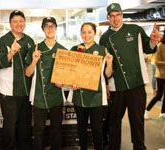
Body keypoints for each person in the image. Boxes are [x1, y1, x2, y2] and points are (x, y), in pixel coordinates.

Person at [99, 3, 162, 150]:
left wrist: (153, 41)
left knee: (137, 121)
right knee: (114, 122)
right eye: (112, 16)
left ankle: (139, 147)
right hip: (116, 85)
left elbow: (148, 47)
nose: (115, 19)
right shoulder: (105, 38)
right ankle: (114, 147)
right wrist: (106, 84)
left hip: (136, 84)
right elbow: (104, 64)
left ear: (122, 15)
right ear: (108, 18)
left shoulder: (135, 30)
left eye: (118, 15)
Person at [0, 10, 34, 150]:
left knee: (25, 125)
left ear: (24, 23)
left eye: (21, 21)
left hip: (26, 91)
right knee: (10, 126)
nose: (18, 24)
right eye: (15, 21)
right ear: (10, 24)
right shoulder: (4, 41)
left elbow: (31, 64)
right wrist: (10, 52)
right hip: (8, 92)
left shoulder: (29, 40)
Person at [25, 17, 66, 150]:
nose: (49, 29)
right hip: (39, 96)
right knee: (38, 130)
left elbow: (67, 75)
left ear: (56, 28)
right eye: (46, 26)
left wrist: (63, 83)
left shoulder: (63, 50)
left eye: (52, 26)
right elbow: (28, 73)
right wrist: (34, 61)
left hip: (56, 95)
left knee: (56, 129)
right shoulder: (36, 48)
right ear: (43, 29)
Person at [70, 22, 113, 150]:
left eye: (89, 32)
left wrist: (109, 63)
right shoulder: (75, 49)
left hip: (96, 96)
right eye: (83, 32)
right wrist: (71, 82)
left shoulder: (102, 50)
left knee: (96, 129)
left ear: (94, 33)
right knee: (81, 128)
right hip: (79, 95)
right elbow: (70, 72)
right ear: (80, 34)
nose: (86, 35)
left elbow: (107, 75)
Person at [145, 30, 165, 119]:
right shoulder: (160, 46)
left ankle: (163, 111)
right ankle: (147, 110)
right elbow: (157, 62)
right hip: (161, 74)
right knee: (159, 95)